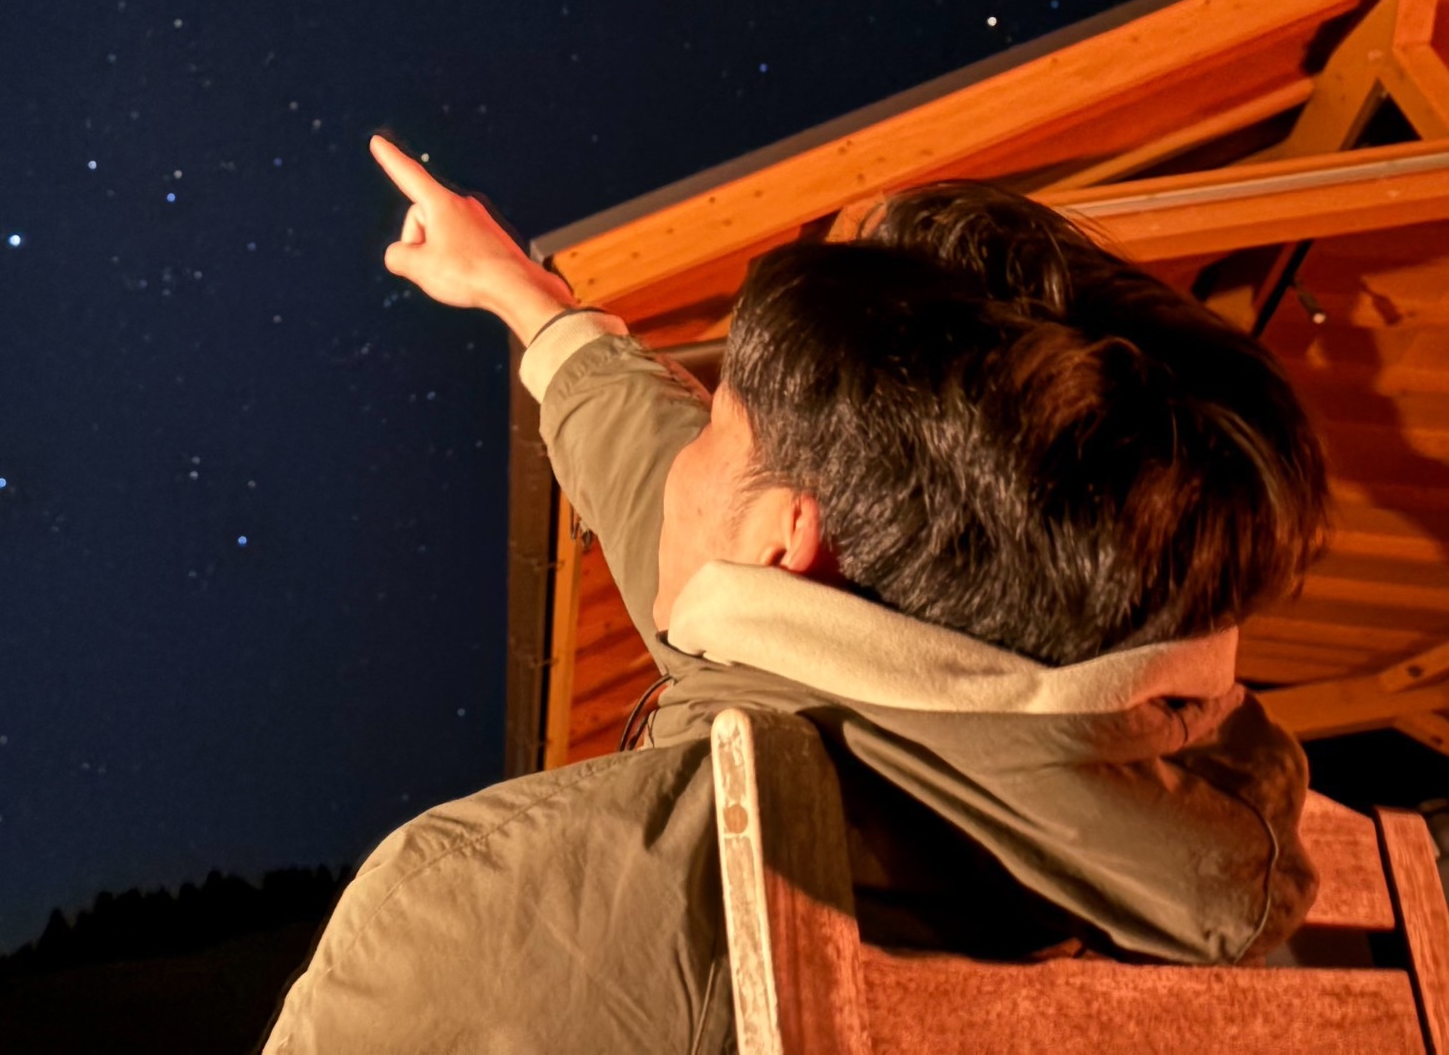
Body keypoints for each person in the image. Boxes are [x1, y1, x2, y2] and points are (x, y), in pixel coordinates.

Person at [258, 135, 1330, 1054]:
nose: (686, 437)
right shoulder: (1145, 775)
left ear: (788, 545)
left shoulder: (507, 900)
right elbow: (703, 543)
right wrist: (525, 301)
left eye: (715, 417)